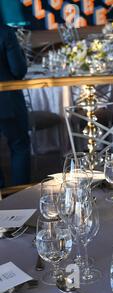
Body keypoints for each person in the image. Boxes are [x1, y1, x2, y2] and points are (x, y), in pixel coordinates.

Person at [0, 17, 31, 188]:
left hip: (6, 101)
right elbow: (18, 70)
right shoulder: (5, 32)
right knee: (19, 147)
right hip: (7, 101)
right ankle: (20, 198)